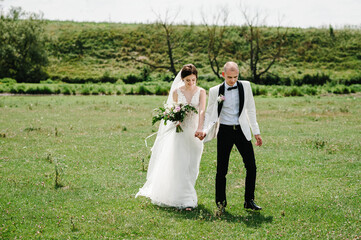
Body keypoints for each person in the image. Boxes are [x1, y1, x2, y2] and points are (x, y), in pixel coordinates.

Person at [136, 64, 206, 211]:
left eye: (193, 80)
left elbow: (201, 111)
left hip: (194, 133)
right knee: (180, 164)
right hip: (179, 132)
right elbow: (173, 110)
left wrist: (200, 128)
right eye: (188, 80)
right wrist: (176, 119)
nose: (191, 83)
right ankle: (186, 199)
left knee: (192, 165)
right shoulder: (176, 92)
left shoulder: (201, 92)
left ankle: (185, 193)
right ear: (182, 79)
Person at [196, 61, 263, 215]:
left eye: (236, 77)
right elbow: (210, 113)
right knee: (221, 169)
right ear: (223, 74)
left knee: (251, 166)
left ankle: (249, 200)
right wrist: (205, 130)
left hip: (242, 130)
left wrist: (256, 132)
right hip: (224, 131)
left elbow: (251, 110)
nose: (233, 80)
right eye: (230, 77)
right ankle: (221, 203)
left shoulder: (245, 86)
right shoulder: (215, 91)